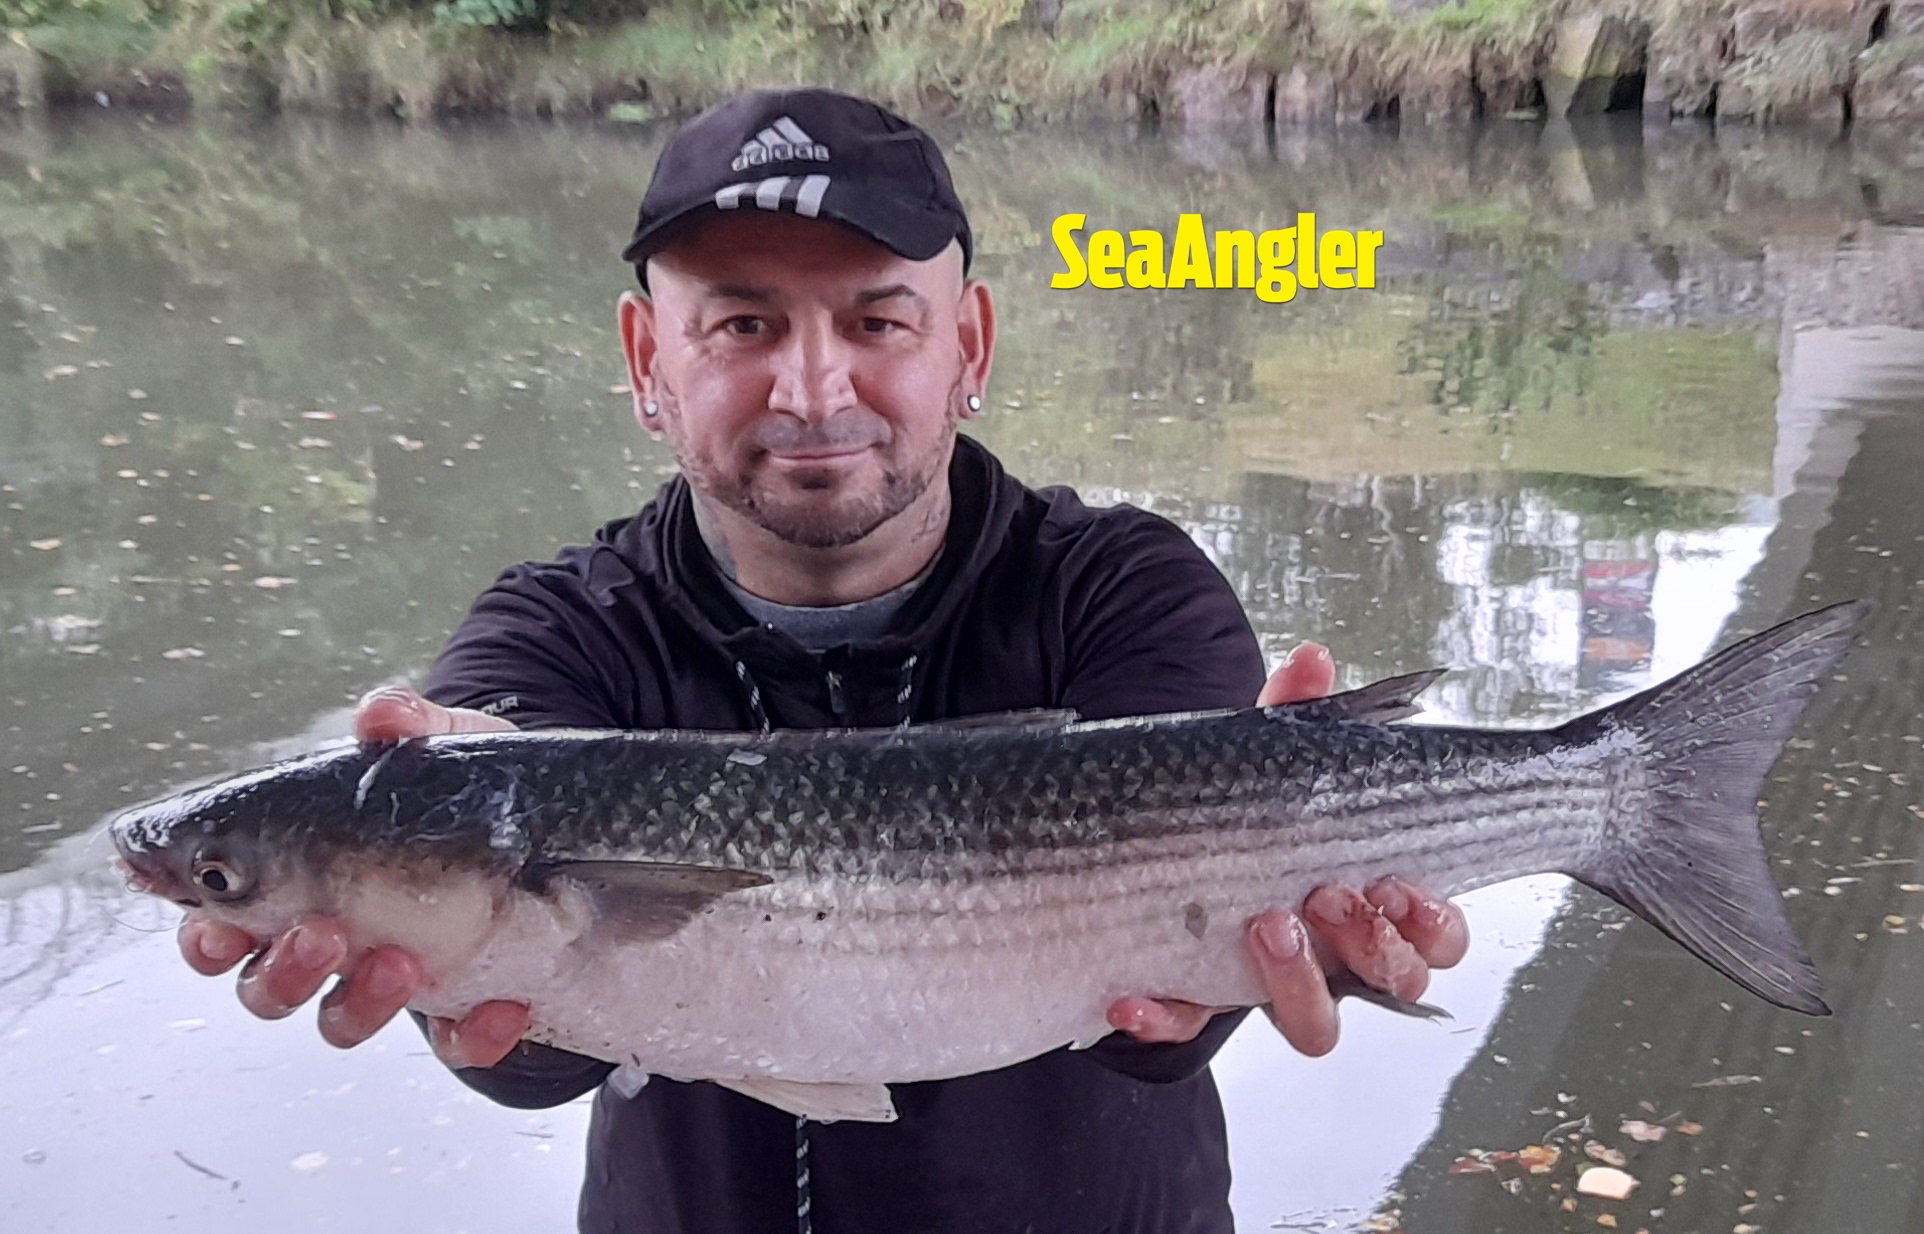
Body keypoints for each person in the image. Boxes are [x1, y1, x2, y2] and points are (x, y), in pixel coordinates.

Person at [177, 88, 1468, 1234]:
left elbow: (1152, 1036)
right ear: (647, 360)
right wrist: (438, 973)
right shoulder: (560, 627)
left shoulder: (1121, 586)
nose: (810, 387)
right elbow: (536, 1058)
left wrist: (1277, 938)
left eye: (878, 319)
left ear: (968, 348)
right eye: (741, 324)